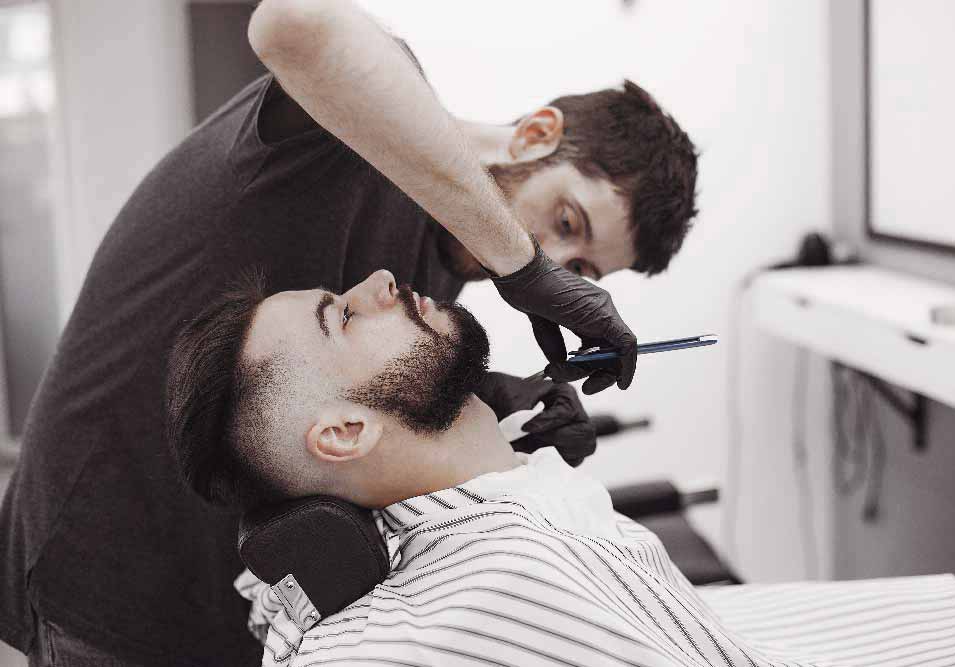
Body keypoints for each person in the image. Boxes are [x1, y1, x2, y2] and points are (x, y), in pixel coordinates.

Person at [0, 1, 698, 664]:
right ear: (537, 134)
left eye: (577, 268)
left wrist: (498, 409)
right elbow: (291, 23)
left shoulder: (442, 267)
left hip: (235, 607)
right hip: (105, 571)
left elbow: (329, 413)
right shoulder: (363, 118)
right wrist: (524, 262)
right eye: (567, 222)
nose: (552, 258)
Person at [167, 273, 955, 667]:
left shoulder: (431, 509)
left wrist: (502, 423)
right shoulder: (511, 579)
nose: (379, 280)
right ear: (343, 430)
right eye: (342, 315)